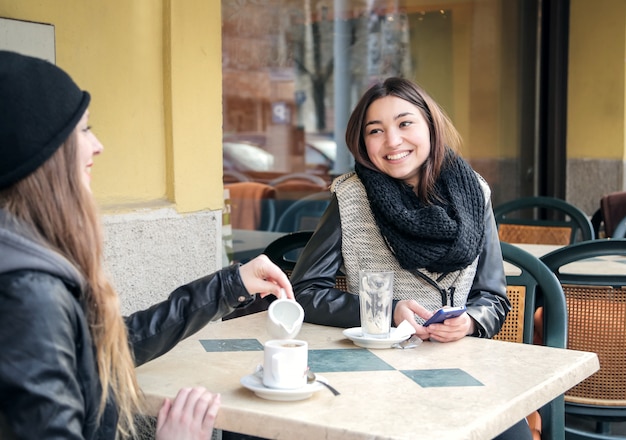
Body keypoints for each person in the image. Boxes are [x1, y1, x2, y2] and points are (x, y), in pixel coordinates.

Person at [0, 50, 293, 440]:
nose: (98, 145)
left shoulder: (25, 260)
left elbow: (108, 346)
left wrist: (232, 283)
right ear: (42, 153)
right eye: (84, 130)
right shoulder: (29, 293)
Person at [289, 77, 533, 440]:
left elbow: (493, 296)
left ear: (431, 128)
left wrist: (468, 322)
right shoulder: (351, 197)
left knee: (510, 432)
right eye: (376, 130)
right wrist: (386, 312)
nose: (392, 141)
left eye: (405, 123)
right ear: (363, 142)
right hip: (374, 370)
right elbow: (306, 292)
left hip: (459, 367)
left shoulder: (474, 192)